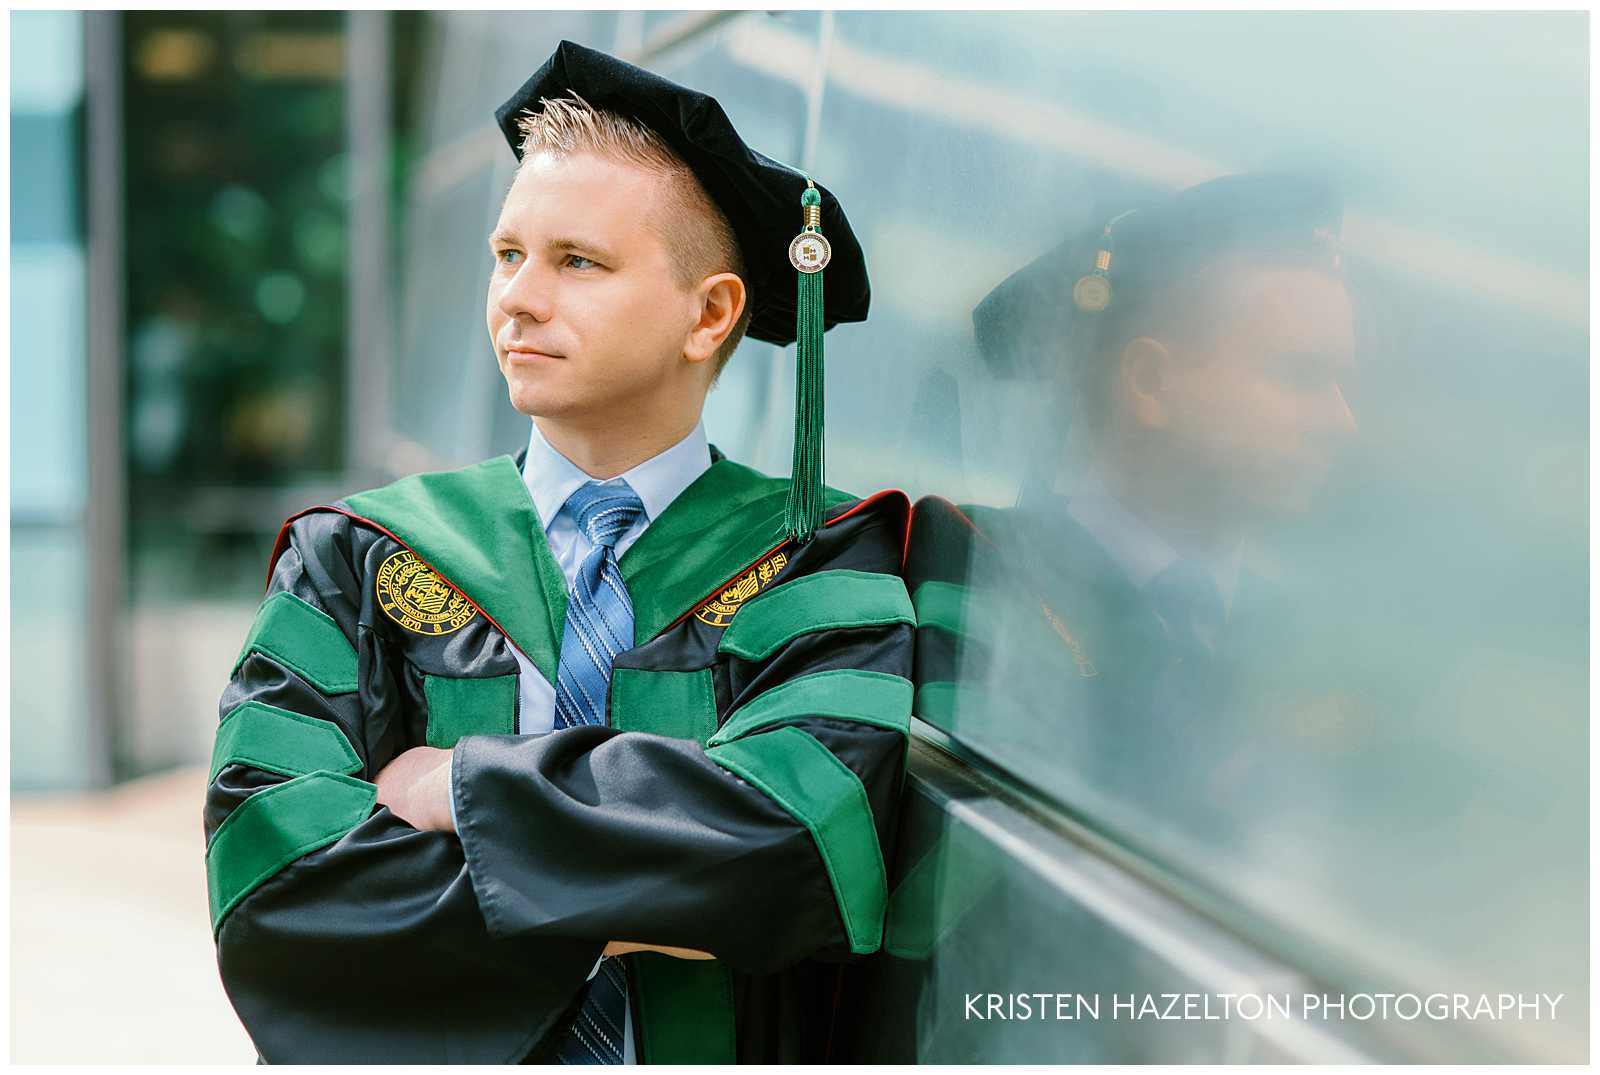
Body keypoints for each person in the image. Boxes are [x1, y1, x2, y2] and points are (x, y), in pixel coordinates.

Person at [203, 40, 913, 1064]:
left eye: (578, 261)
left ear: (709, 313)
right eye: (507, 255)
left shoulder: (815, 561)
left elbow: (793, 847)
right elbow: (277, 892)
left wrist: (460, 791)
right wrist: (657, 888)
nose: (518, 299)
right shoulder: (356, 561)